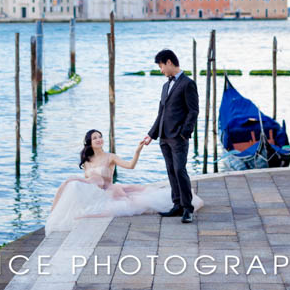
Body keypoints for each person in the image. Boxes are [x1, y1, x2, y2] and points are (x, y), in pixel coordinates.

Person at [45, 129, 203, 233]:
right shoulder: (86, 160)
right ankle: (53, 212)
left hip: (108, 191)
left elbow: (130, 166)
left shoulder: (110, 156)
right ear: (89, 142)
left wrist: (137, 151)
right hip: (95, 193)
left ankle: (181, 202)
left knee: (145, 199)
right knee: (71, 184)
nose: (99, 139)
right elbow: (89, 182)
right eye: (95, 138)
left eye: (100, 137)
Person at [142, 49, 200, 223]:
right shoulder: (165, 86)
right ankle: (177, 205)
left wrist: (184, 133)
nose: (161, 70)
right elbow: (161, 113)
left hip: (178, 137)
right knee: (171, 171)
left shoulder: (188, 84)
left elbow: (193, 111)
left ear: (168, 62)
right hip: (164, 137)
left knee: (180, 170)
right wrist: (151, 135)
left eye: (160, 66)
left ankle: (188, 208)